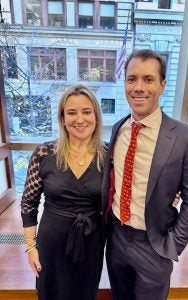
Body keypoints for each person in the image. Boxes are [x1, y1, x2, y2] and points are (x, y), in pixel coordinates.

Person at [102, 49, 188, 300]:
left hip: (154, 244)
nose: (139, 87)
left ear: (162, 85)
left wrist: (172, 244)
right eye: (132, 79)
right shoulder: (119, 128)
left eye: (148, 79)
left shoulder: (187, 139)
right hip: (116, 237)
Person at [21, 84, 106, 300]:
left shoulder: (109, 155)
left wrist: (168, 194)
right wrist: (31, 248)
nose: (80, 119)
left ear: (95, 116)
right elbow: (28, 204)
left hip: (91, 241)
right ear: (62, 118)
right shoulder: (43, 153)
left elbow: (132, 187)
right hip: (51, 242)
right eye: (71, 112)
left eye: (86, 112)